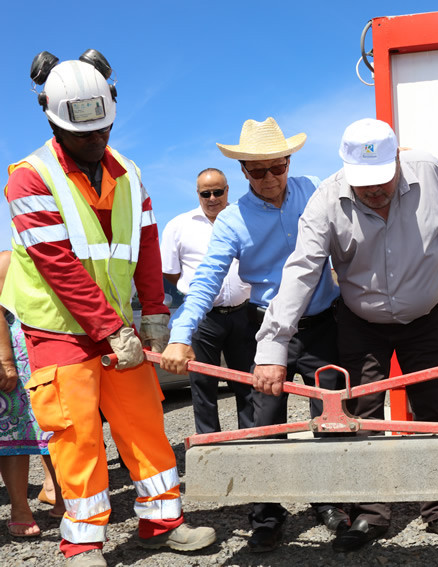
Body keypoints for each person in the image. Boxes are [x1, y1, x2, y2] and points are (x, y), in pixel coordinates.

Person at [0, 51, 215, 566]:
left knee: (143, 422)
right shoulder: (29, 178)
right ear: (52, 119)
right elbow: (57, 264)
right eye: (83, 135)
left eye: (104, 130)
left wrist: (155, 317)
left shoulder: (129, 172)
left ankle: (162, 520)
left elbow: (145, 248)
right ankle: (82, 543)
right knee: (76, 437)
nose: (96, 142)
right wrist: (110, 328)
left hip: (117, 326)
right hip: (58, 331)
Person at [253, 118, 438, 553]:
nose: (375, 193)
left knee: (431, 406)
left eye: (382, 182)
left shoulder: (430, 171)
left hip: (426, 317)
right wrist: (273, 345)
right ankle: (372, 513)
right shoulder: (325, 202)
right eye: (364, 185)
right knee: (363, 414)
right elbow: (300, 271)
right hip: (361, 323)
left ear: (398, 158)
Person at [159, 117, 348, 553]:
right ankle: (267, 513)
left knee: (333, 419)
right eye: (257, 171)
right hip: (266, 333)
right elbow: (205, 280)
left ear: (289, 161)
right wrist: (180, 333)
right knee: (264, 426)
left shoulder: (317, 192)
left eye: (276, 168)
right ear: (243, 171)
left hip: (323, 326)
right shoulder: (231, 221)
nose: (269, 179)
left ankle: (334, 501)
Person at [160, 168, 254, 434]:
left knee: (247, 382)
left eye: (218, 192)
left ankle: (252, 441)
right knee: (203, 385)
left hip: (243, 314)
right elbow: (169, 271)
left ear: (228, 190)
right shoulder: (178, 226)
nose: (212, 198)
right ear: (198, 193)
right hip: (203, 319)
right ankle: (210, 444)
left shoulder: (244, 219)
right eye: (206, 193)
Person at [0, 250, 64, 538]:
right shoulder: (6, 260)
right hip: (17, 356)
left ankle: (64, 500)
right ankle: (20, 509)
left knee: (57, 429)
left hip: (53, 348)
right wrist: (5, 361)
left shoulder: (65, 251)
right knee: (14, 434)